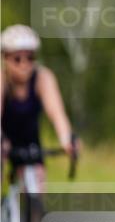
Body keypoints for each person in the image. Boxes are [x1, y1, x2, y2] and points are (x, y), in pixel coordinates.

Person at [0, 24, 77, 189]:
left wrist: (67, 139)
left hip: (31, 144)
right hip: (3, 139)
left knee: (37, 186)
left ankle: (34, 213)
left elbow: (57, 114)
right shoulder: (2, 80)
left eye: (30, 57)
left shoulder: (43, 78)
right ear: (5, 58)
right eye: (17, 58)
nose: (24, 64)